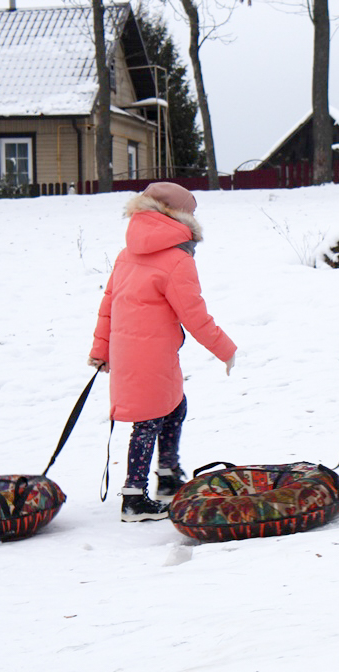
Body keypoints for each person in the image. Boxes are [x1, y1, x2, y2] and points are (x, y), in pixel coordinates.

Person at [88, 182, 237, 522]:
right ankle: (134, 496)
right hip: (153, 354)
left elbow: (108, 305)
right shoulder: (177, 259)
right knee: (149, 420)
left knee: (173, 408)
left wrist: (101, 350)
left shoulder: (127, 253)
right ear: (179, 216)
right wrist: (225, 349)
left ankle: (168, 476)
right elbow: (194, 315)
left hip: (131, 351)